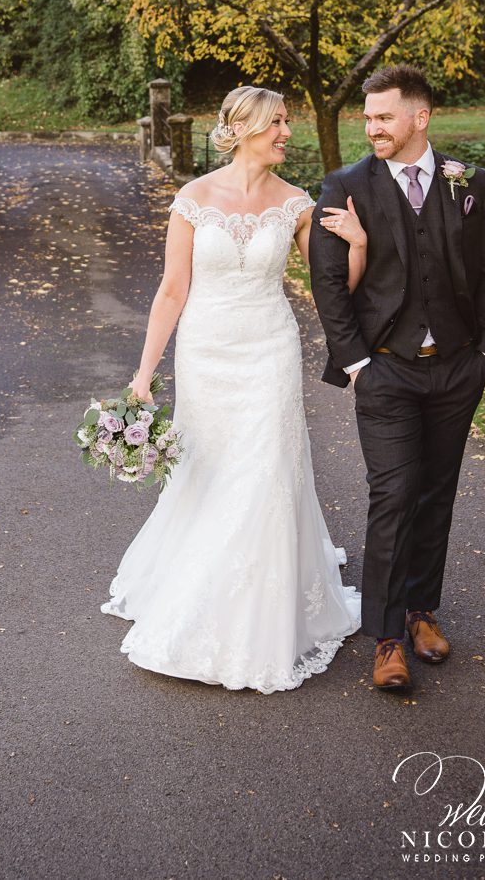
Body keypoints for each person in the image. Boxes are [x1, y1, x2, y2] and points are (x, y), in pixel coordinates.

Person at [101, 84, 365, 693]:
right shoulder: (193, 199)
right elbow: (172, 290)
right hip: (207, 353)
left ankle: (261, 617)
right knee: (213, 470)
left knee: (267, 471)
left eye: (288, 123)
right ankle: (202, 590)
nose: (286, 134)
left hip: (270, 349)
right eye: (277, 123)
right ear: (242, 127)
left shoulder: (297, 204)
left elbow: (333, 290)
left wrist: (359, 244)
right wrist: (144, 375)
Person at [308, 63, 485, 692]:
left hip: (456, 367)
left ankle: (423, 611)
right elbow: (329, 287)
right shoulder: (343, 187)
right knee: (393, 495)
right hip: (386, 370)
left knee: (435, 492)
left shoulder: (467, 182)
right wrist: (359, 363)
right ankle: (388, 636)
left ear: (420, 118)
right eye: (367, 118)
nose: (372, 128)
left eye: (383, 117)